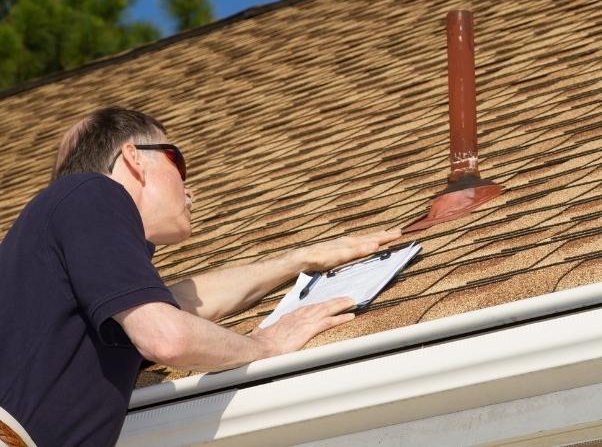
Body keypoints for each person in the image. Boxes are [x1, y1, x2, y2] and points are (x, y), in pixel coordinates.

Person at [0, 106, 402, 447]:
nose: (191, 192)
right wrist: (264, 345)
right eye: (178, 161)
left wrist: (300, 259)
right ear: (133, 158)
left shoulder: (69, 260)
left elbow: (182, 304)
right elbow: (167, 336)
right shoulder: (93, 192)